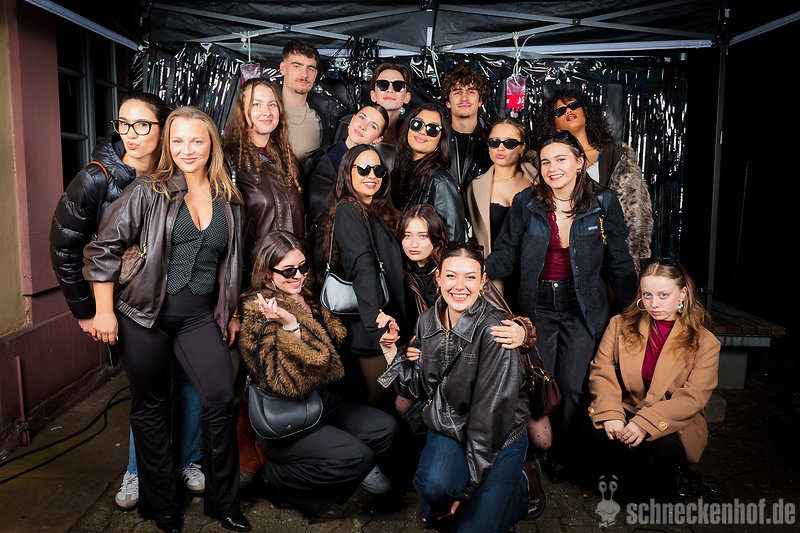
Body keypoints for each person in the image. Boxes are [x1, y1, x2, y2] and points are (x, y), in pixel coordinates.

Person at [83, 107, 249, 533]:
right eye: (177, 141)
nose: (186, 150)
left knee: (219, 397)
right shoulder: (147, 190)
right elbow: (102, 249)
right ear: (168, 145)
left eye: (196, 141)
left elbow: (233, 265)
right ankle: (162, 507)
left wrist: (231, 312)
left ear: (211, 144)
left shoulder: (229, 199)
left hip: (198, 317)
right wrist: (104, 310)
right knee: (151, 406)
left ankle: (224, 503)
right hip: (143, 316)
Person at [48, 93, 205, 512]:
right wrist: (89, 311)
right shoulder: (97, 178)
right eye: (123, 123)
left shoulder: (181, 168)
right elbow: (64, 247)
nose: (130, 134)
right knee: (148, 391)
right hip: (127, 304)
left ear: (163, 128)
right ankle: (140, 470)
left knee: (190, 380)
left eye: (142, 125)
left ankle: (189, 459)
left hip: (180, 300)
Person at [485, 130, 638, 483]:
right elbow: (508, 252)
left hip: (582, 305)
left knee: (572, 386)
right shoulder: (526, 202)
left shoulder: (604, 202)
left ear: (579, 163)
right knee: (540, 381)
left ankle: (565, 455)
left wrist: (632, 312)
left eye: (561, 159)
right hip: (536, 304)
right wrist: (481, 270)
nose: (552, 168)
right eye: (545, 162)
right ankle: (538, 449)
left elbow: (619, 261)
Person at [379, 242, 540, 531]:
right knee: (434, 491)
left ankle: (522, 485)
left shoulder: (496, 331)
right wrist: (391, 352)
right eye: (451, 276)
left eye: (470, 277)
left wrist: (468, 491)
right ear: (438, 278)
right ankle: (453, 496)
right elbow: (418, 387)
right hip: (449, 425)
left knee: (473, 528)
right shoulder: (427, 321)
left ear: (483, 281)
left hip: (497, 435)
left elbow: (490, 419)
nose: (460, 286)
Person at [238, 230, 398, 522]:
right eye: (288, 271)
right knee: (357, 457)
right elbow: (285, 382)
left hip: (320, 400)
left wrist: (383, 329)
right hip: (287, 418)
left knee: (385, 428)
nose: (298, 275)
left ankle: (336, 471)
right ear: (267, 273)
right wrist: (291, 327)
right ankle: (275, 478)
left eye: (303, 267)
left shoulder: (311, 292)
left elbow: (341, 330)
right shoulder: (259, 310)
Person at [588, 259, 720, 504]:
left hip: (673, 421)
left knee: (658, 450)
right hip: (627, 408)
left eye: (663, 295)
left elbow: (693, 398)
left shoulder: (705, 342)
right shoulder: (619, 325)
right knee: (599, 432)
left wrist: (644, 424)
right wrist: (611, 414)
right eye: (647, 295)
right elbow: (601, 371)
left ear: (683, 294)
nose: (654, 303)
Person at [322, 145, 407, 408]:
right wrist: (376, 325)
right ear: (348, 172)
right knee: (382, 403)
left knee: (392, 400)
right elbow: (363, 266)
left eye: (378, 170)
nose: (372, 175)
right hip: (372, 328)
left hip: (386, 320)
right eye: (363, 169)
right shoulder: (348, 209)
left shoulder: (376, 211)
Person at [536, 88, 653, 268]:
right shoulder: (546, 164)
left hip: (610, 255)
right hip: (566, 257)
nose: (568, 111)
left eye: (574, 105)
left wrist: (629, 262)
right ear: (554, 125)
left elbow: (634, 214)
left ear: (586, 113)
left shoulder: (616, 155)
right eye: (560, 111)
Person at [223, 77, 304, 277]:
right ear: (242, 111)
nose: (267, 112)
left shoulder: (288, 159)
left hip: (292, 275)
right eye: (256, 104)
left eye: (272, 104)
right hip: (254, 275)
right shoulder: (228, 160)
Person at [304, 103, 389, 267]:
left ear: (377, 139)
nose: (363, 126)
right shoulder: (318, 159)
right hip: (315, 255)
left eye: (373, 126)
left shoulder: (377, 174)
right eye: (361, 117)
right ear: (352, 119)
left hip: (355, 258)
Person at [465, 118, 537, 299]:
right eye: (494, 142)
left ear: (522, 148)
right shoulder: (476, 188)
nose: (500, 148)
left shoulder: (539, 180)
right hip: (496, 277)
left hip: (535, 274)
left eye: (509, 143)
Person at [391, 103, 467, 242]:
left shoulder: (440, 181)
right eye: (417, 124)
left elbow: (454, 239)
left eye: (433, 129)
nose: (422, 132)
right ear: (408, 128)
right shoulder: (396, 173)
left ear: (441, 140)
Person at [280, 39, 345, 163]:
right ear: (283, 68)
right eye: (297, 66)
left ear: (315, 74)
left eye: (310, 69)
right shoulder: (265, 112)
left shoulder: (326, 116)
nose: (304, 75)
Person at [441, 64, 492, 193]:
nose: (464, 98)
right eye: (457, 92)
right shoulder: (436, 139)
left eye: (471, 92)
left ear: (480, 101)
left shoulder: (492, 141)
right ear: (448, 102)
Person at [369, 63, 413, 146]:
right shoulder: (355, 129)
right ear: (373, 95)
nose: (390, 89)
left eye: (398, 86)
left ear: (407, 97)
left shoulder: (411, 140)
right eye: (382, 84)